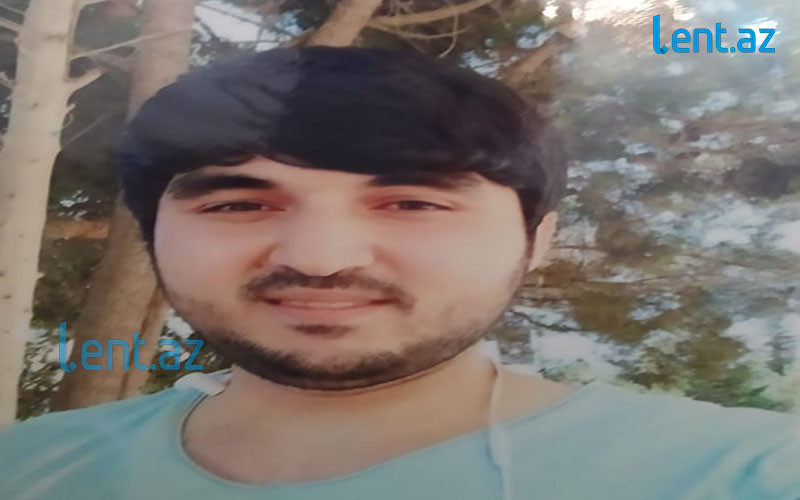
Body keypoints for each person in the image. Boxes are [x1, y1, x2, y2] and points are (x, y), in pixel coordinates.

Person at [0, 47, 798, 500]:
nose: (320, 258)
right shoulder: (29, 469)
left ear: (537, 240)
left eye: (412, 204)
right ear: (153, 233)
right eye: (239, 204)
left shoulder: (746, 474)